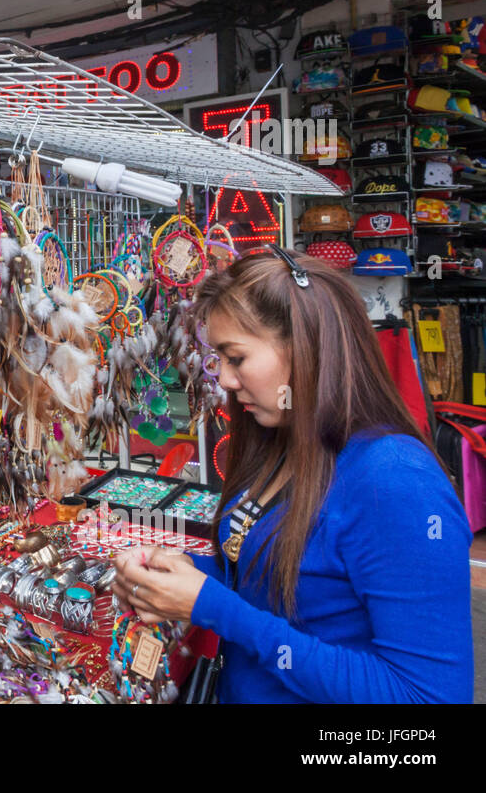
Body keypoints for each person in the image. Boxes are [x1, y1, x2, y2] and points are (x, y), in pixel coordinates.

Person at [114, 246, 473, 703]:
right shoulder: (282, 443)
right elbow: (279, 592)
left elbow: (427, 697)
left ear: (305, 348)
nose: (223, 379)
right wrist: (186, 574)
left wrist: (215, 608)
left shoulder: (396, 482)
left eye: (236, 357)